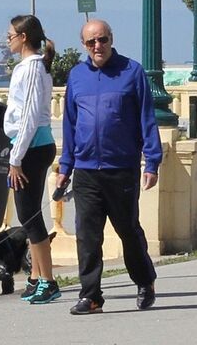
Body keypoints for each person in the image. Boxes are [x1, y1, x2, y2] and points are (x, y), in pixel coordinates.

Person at [56, 19, 162, 315]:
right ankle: (91, 295)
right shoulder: (77, 76)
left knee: (128, 231)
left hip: (122, 168)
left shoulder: (132, 72)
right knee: (87, 235)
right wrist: (66, 166)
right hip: (87, 170)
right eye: (91, 42)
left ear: (111, 39)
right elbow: (70, 124)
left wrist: (152, 161)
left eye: (102, 40)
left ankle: (145, 281)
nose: (97, 46)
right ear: (84, 46)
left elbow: (147, 119)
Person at [3, 15, 61, 305]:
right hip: (31, 146)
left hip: (31, 148)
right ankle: (36, 276)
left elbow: (27, 116)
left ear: (24, 37)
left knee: (28, 216)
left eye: (10, 35)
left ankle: (48, 281)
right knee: (30, 214)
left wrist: (16, 158)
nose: (8, 40)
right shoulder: (30, 68)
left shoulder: (31, 70)